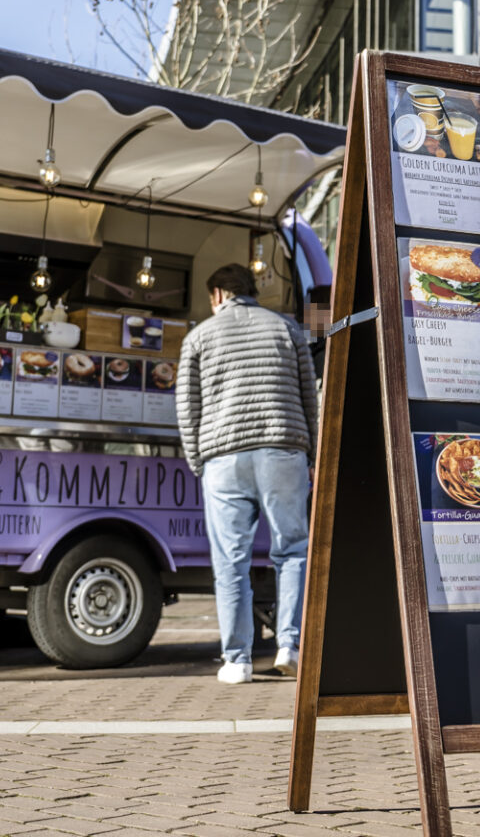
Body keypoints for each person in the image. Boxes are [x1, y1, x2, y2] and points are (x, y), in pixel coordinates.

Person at [176, 263, 319, 684]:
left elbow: (188, 408)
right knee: (292, 551)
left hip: (224, 457)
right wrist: (309, 448)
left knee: (230, 561)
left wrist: (196, 460)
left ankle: (236, 660)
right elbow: (309, 393)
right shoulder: (287, 329)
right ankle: (289, 646)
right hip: (283, 449)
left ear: (219, 294)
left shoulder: (199, 337)